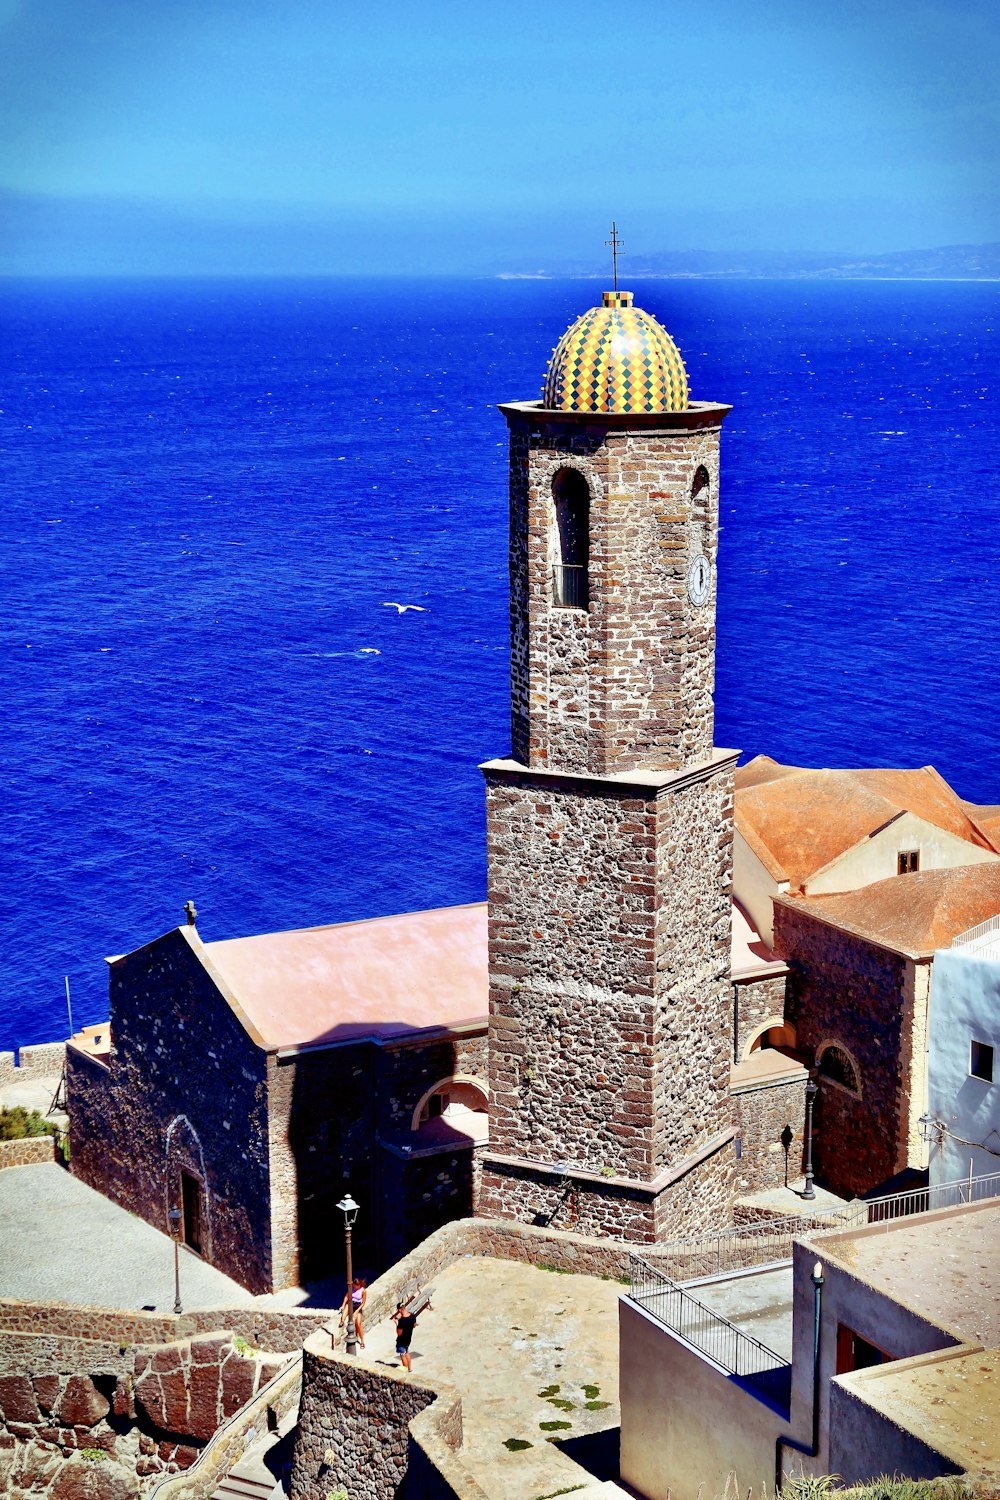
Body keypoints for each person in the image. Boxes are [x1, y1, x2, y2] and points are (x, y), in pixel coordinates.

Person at [394, 1299, 423, 1373]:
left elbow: (399, 1333)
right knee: (407, 1352)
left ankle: (405, 1371)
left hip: (402, 1341)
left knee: (402, 1355)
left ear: (400, 1310)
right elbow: (414, 1326)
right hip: (408, 1339)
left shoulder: (402, 1321)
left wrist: (396, 1324)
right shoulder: (412, 1316)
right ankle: (410, 1369)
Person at [339, 1276, 367, 1349]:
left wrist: (357, 1311)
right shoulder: (351, 1288)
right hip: (351, 1304)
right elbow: (346, 1297)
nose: (355, 1287)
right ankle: (342, 1321)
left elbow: (363, 1303)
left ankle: (362, 1341)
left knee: (358, 1323)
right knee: (347, 1307)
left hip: (358, 1306)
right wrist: (343, 1305)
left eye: (356, 1286)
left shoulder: (363, 1291)